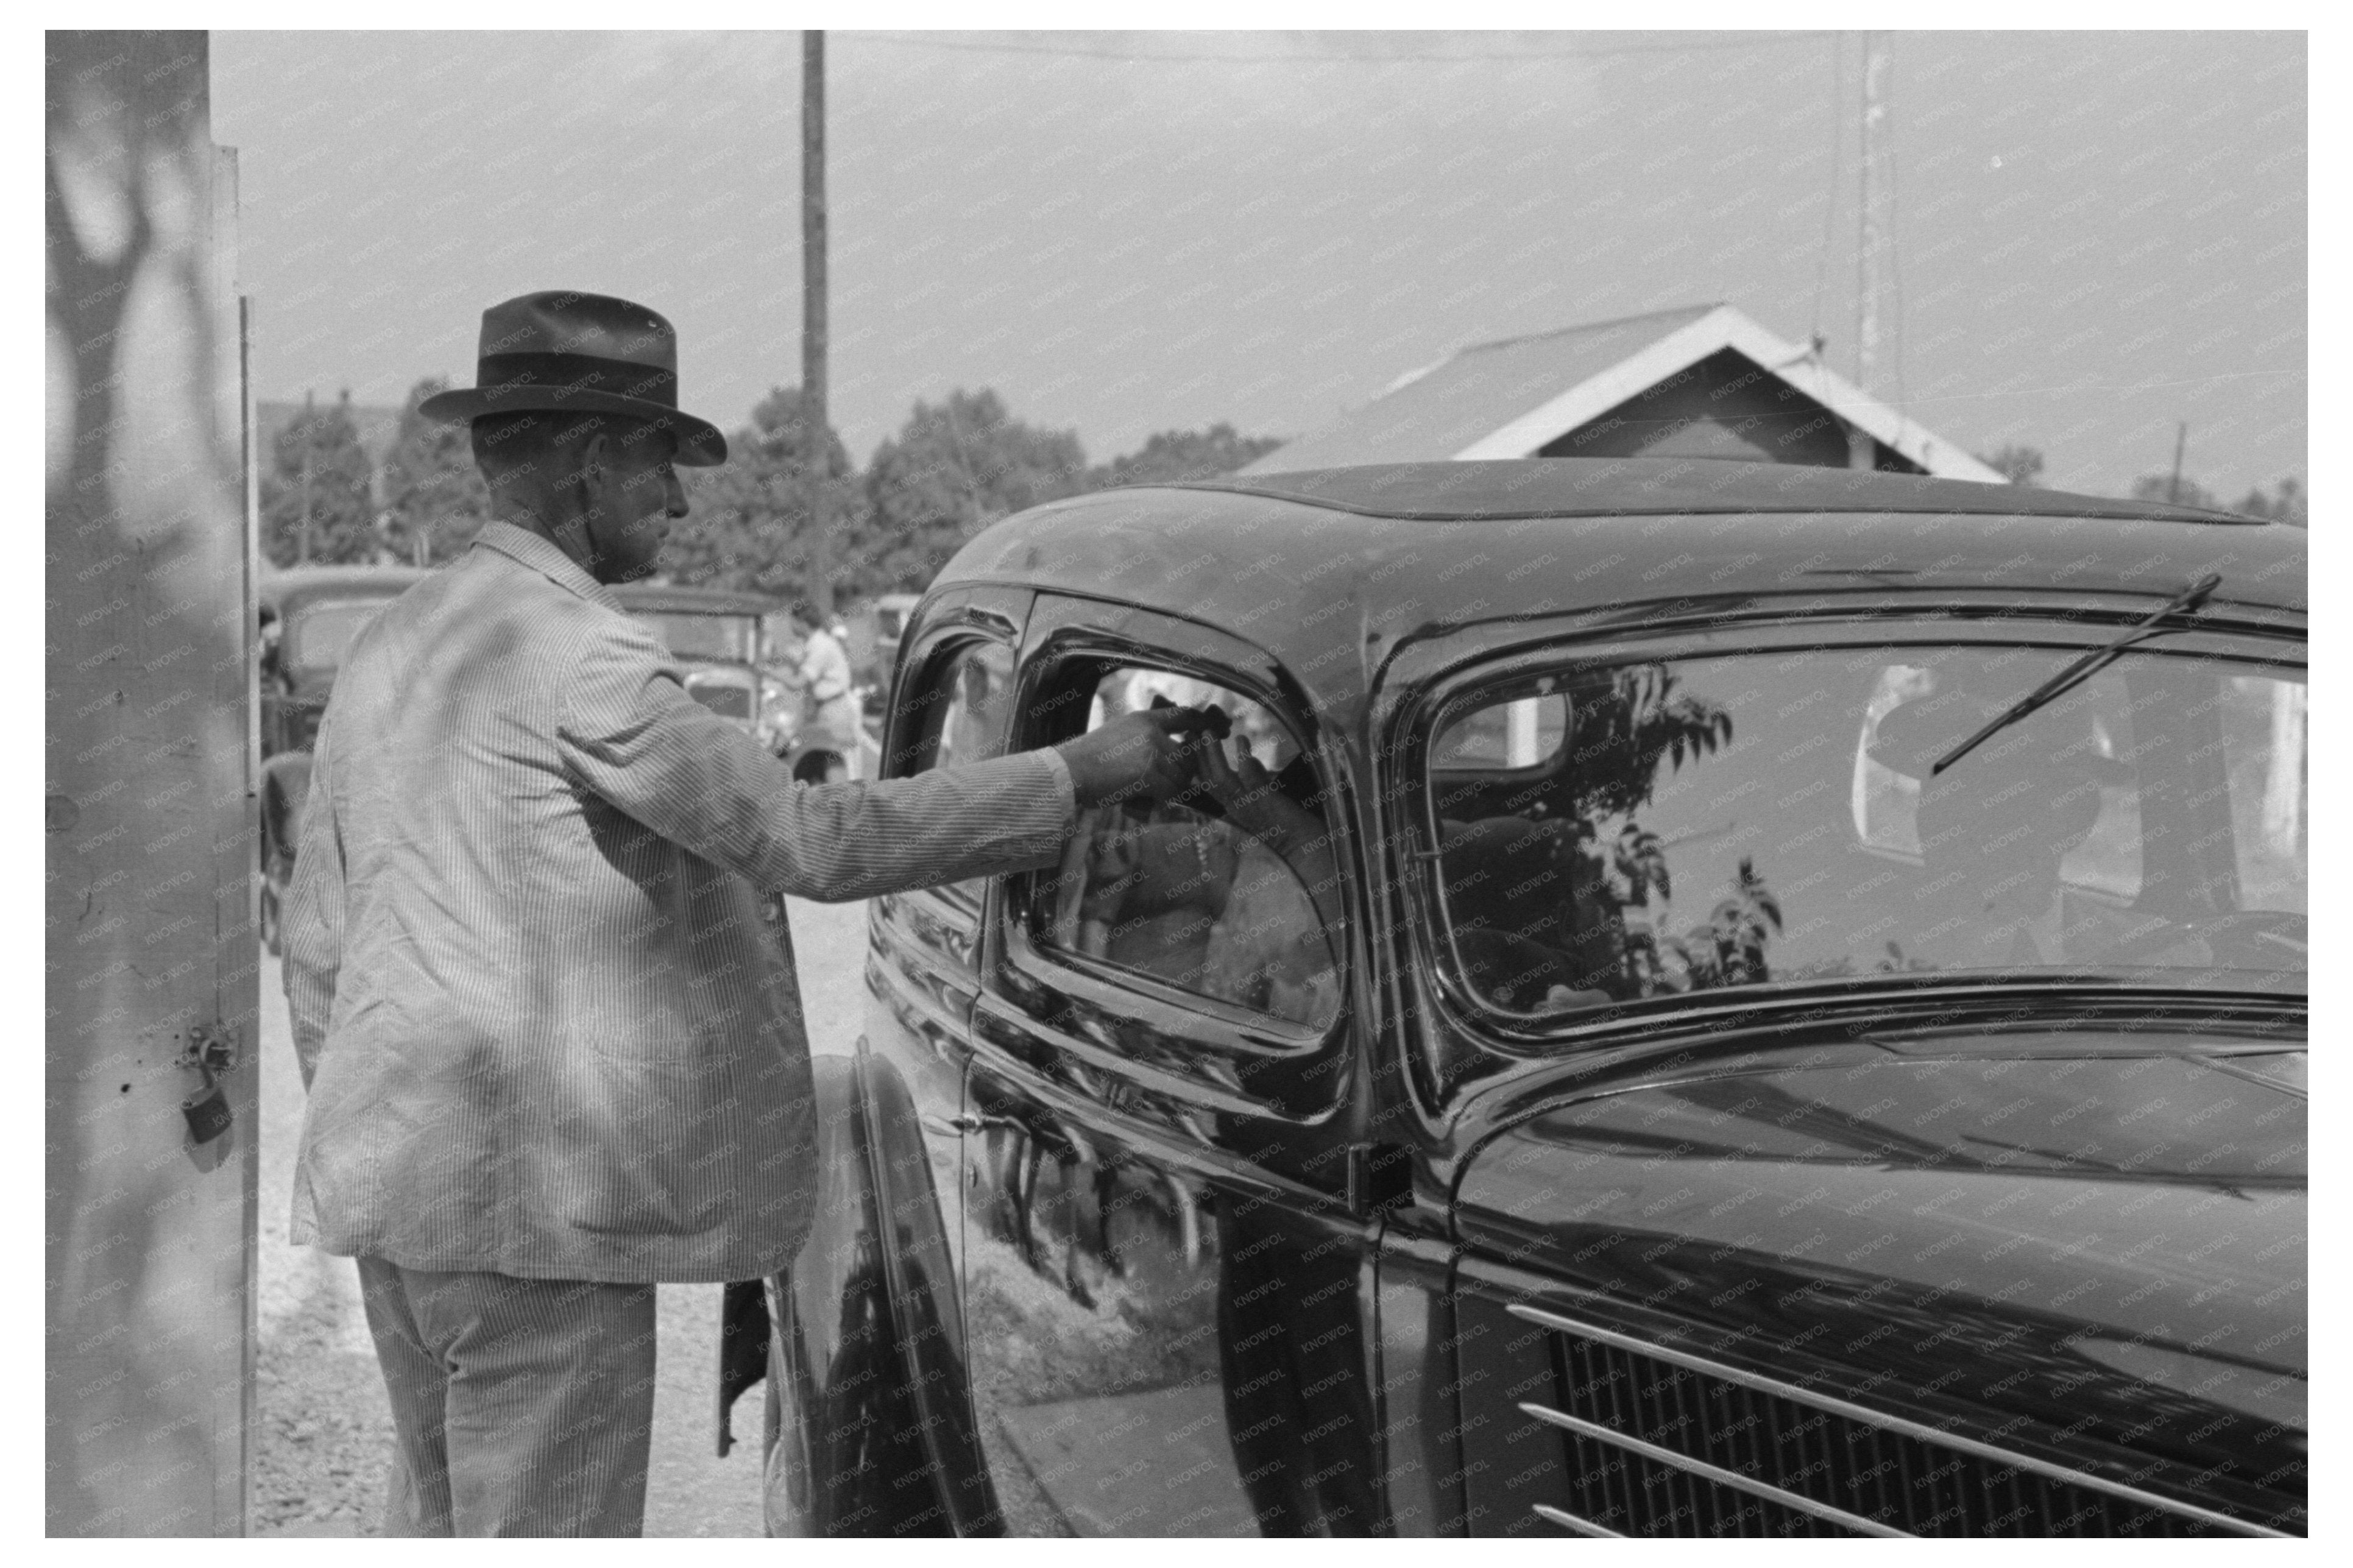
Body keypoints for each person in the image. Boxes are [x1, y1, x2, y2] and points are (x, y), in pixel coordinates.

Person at [278, 291, 1211, 1537]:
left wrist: (380, 1141)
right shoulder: (582, 662)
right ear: (590, 459)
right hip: (536, 1229)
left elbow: (319, 946)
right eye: (661, 459)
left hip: (398, 1195)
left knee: (438, 1528)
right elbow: (809, 839)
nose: (676, 498)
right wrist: (1080, 775)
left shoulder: (399, 642)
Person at [792, 601, 860, 779]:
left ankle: (840, 799)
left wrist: (767, 671)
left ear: (802, 622)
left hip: (835, 706)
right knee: (823, 757)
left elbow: (798, 682)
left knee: (832, 754)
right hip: (829, 706)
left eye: (793, 620)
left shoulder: (820, 646)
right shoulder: (815, 643)